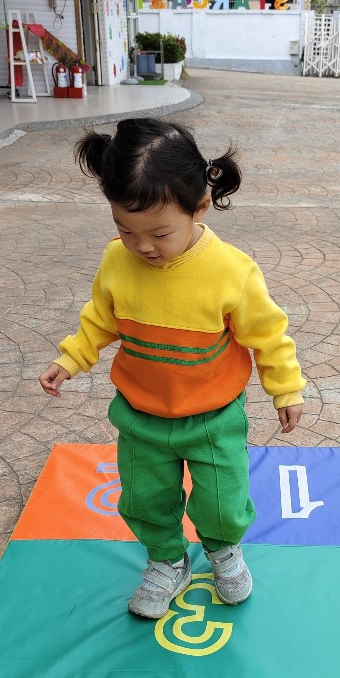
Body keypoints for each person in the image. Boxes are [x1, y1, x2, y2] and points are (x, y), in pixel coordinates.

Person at [39, 117, 305, 619]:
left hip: (213, 416)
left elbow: (269, 335)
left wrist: (286, 389)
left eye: (160, 233)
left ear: (198, 207)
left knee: (223, 500)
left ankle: (223, 549)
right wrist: (70, 358)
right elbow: (100, 319)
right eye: (125, 229)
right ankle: (167, 558)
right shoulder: (117, 261)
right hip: (141, 415)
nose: (142, 246)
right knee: (144, 499)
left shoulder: (231, 271)